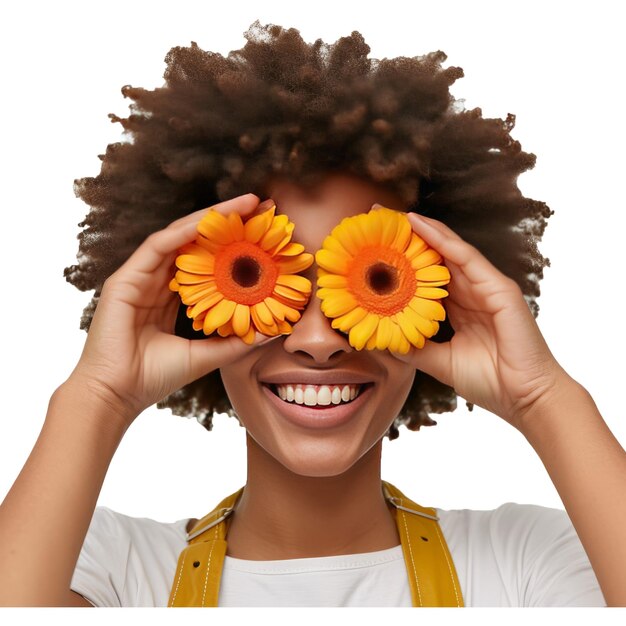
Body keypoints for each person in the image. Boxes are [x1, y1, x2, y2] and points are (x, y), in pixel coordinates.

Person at [0, 21, 624, 607]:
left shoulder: (529, 562)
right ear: (194, 305)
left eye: (369, 283)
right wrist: (97, 394)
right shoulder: (111, 567)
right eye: (275, 282)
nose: (320, 340)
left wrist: (544, 397)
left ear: (441, 305)